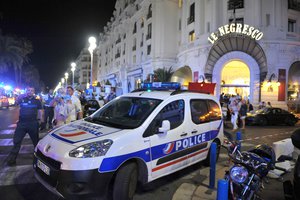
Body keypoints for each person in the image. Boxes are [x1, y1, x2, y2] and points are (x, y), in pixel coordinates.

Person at [7, 86, 44, 166]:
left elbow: (40, 111)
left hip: (33, 123)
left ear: (34, 92)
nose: (29, 91)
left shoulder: (37, 101)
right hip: (22, 123)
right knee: (17, 141)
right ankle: (12, 160)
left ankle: (39, 159)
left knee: (36, 142)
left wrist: (41, 120)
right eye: (28, 90)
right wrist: (20, 96)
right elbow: (16, 104)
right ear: (26, 91)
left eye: (31, 90)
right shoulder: (21, 99)